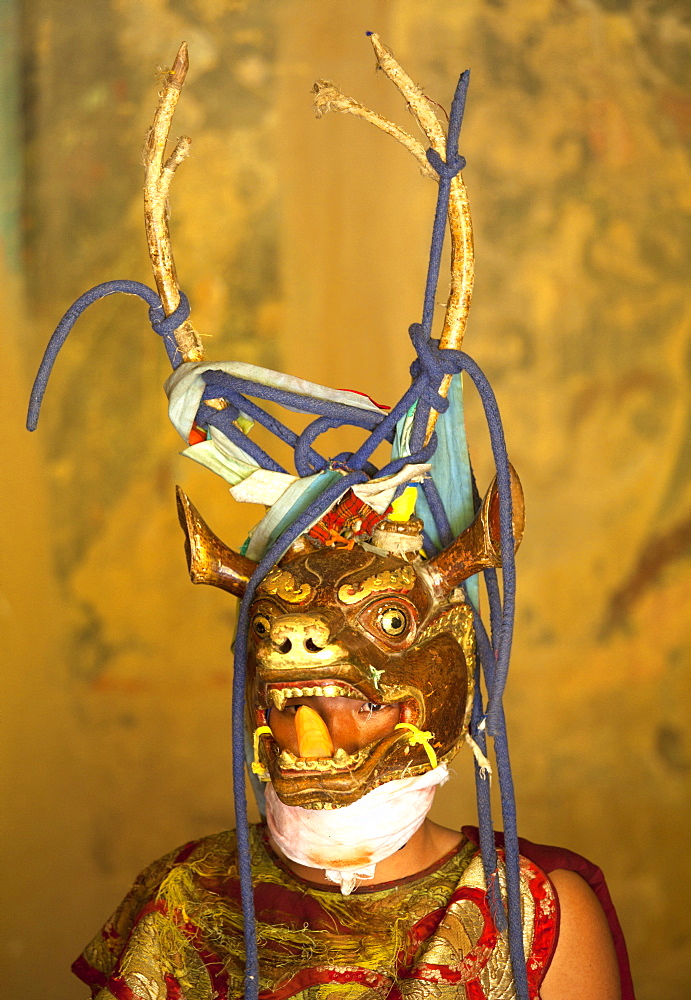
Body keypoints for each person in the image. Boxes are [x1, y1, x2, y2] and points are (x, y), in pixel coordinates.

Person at [30, 34, 635, 1000]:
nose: (320, 717)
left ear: (460, 666)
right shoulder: (179, 904)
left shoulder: (529, 917)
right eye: (287, 680)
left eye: (379, 645)